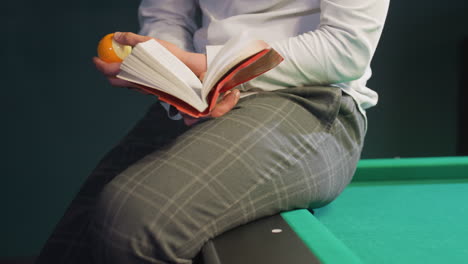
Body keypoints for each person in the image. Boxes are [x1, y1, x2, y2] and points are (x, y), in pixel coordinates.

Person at [36, 0, 389, 263]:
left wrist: (216, 70)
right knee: (69, 250)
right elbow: (167, 14)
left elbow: (347, 47)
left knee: (135, 224)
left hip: (309, 98)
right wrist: (172, 79)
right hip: (196, 88)